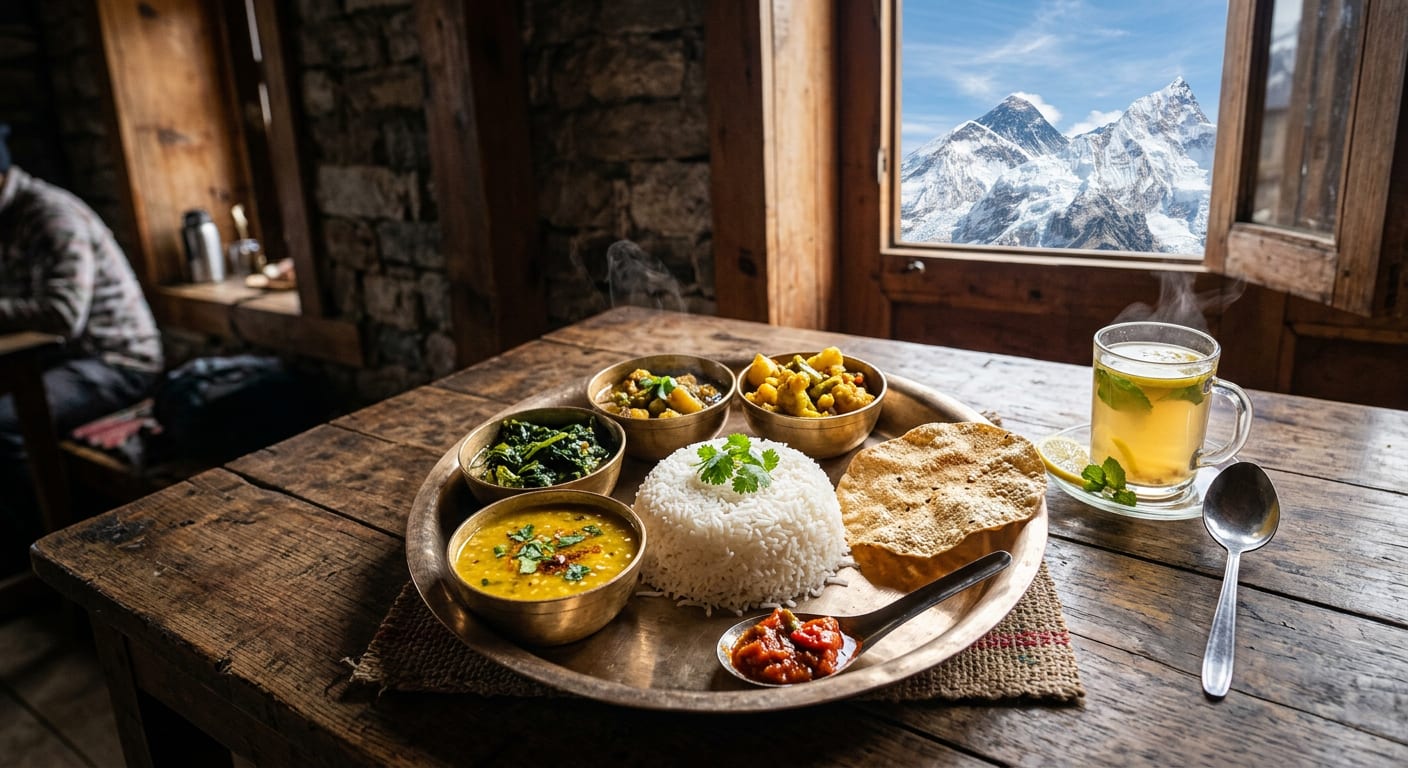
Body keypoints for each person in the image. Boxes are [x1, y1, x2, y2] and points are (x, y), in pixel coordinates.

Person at [0, 123, 163, 575]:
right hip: (63, 360)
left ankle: (50, 556)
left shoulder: (51, 214)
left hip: (116, 360)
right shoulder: (6, 218)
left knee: (4, 426)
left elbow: (61, 314)